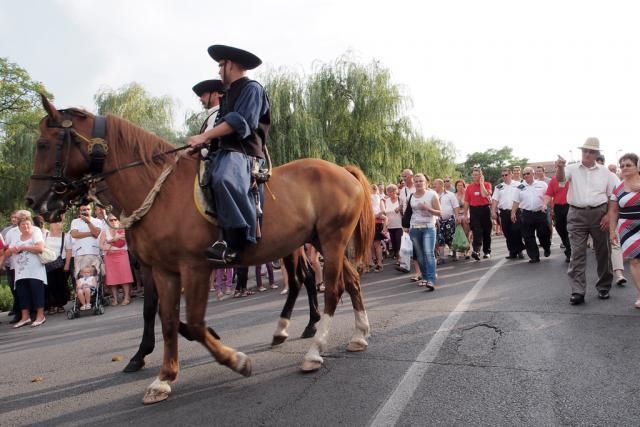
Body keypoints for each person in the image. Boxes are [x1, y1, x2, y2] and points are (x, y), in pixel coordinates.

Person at [187, 45, 269, 265]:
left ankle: (236, 240)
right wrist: (203, 144)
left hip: (244, 152)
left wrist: (204, 137)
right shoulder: (229, 94)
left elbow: (240, 122)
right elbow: (221, 128)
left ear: (229, 65)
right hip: (226, 150)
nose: (218, 71)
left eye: (220, 65)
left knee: (223, 178)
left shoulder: (252, 88)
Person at [556, 137, 618, 305]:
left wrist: (608, 215)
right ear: (581, 152)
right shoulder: (572, 168)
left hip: (600, 213)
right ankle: (578, 291)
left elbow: (615, 194)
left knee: (603, 252)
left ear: (597, 154)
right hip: (576, 214)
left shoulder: (606, 173)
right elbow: (561, 180)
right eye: (585, 150)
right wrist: (560, 167)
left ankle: (604, 286)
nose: (587, 154)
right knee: (577, 253)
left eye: (591, 151)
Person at [609, 153, 640, 308]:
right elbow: (613, 211)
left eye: (628, 165)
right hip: (627, 228)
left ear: (637, 166)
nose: (624, 168)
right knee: (634, 261)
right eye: (622, 166)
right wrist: (612, 231)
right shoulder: (618, 187)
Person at [402, 173, 441, 291]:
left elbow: (439, 213)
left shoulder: (431, 195)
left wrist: (427, 208)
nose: (418, 183)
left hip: (429, 227)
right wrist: (406, 226)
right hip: (415, 228)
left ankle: (431, 280)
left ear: (426, 183)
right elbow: (408, 212)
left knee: (428, 253)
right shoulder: (411, 196)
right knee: (419, 256)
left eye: (421, 181)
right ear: (414, 183)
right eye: (416, 181)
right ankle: (425, 277)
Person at [6, 217, 47, 328]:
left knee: (36, 292)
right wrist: (12, 250)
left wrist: (24, 247)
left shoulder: (36, 234)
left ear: (31, 225)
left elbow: (40, 248)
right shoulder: (16, 237)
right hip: (20, 272)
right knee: (23, 294)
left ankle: (40, 316)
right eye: (23, 225)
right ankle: (25, 317)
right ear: (19, 227)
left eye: (28, 224)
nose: (25, 226)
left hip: (35, 271)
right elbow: (7, 252)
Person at [596, 154, 628, 285]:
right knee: (603, 247)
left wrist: (610, 214)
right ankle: (605, 273)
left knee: (615, 241)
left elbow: (618, 195)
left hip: (612, 212)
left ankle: (619, 274)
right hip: (594, 215)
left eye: (598, 162)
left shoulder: (611, 176)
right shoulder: (586, 176)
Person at [511, 167, 551, 263]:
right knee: (528, 237)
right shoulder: (520, 187)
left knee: (543, 234)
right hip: (526, 214)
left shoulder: (542, 184)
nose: (526, 176)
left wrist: (552, 208)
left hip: (540, 213)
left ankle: (546, 247)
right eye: (524, 174)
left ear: (533, 174)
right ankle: (534, 256)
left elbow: (548, 196)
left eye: (528, 173)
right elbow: (516, 201)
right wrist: (513, 212)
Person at [99, 215, 134, 305]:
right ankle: (115, 299)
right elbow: (100, 245)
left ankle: (126, 297)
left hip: (122, 255)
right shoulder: (104, 232)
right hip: (109, 256)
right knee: (112, 279)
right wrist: (112, 241)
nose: (113, 221)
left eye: (115, 219)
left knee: (124, 277)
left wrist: (110, 242)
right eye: (111, 220)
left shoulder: (123, 230)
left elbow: (124, 242)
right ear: (107, 221)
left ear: (118, 221)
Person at [492, 168, 525, 259]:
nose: (504, 177)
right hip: (504, 212)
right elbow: (495, 200)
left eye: (506, 175)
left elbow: (525, 196)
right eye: (502, 175)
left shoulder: (519, 185)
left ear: (511, 175)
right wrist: (493, 211)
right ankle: (512, 252)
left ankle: (519, 251)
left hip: (516, 212)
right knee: (507, 232)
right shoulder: (498, 187)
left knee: (516, 231)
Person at [464, 168, 493, 260]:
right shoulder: (469, 187)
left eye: (476, 175)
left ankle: (487, 252)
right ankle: (476, 251)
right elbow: (466, 202)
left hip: (485, 209)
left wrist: (481, 184)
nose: (474, 176)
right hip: (474, 211)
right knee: (476, 231)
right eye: (473, 175)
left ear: (481, 176)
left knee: (486, 232)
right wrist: (465, 215)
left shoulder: (487, 184)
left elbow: (485, 195)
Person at [44, 217, 70, 314]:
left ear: (62, 224)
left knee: (61, 284)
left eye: (58, 222)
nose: (56, 224)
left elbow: (69, 250)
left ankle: (60, 305)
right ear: (50, 224)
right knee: (49, 285)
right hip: (47, 263)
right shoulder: (45, 235)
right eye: (54, 222)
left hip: (59, 263)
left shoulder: (65, 236)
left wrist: (67, 264)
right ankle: (51, 305)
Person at [70, 205, 103, 277]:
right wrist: (91, 233)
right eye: (84, 209)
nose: (86, 211)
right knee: (80, 280)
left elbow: (96, 234)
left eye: (88, 209)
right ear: (80, 211)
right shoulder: (75, 221)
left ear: (91, 210)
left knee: (94, 280)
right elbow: (74, 234)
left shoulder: (97, 221)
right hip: (80, 254)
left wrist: (88, 222)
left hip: (94, 253)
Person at [545, 176, 572, 262]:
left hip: (570, 205)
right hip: (558, 207)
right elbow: (549, 194)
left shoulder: (571, 177)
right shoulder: (553, 179)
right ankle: (568, 247)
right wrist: (544, 204)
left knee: (569, 229)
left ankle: (570, 252)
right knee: (560, 229)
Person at [434, 178, 460, 263]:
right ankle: (441, 258)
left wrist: (457, 217)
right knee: (440, 238)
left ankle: (455, 254)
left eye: (436, 184)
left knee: (450, 237)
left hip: (450, 219)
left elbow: (455, 206)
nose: (434, 186)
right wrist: (436, 219)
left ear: (441, 185)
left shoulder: (450, 194)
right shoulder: (433, 195)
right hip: (439, 220)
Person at [383, 184, 403, 264]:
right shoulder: (387, 201)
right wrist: (385, 226)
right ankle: (398, 258)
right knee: (394, 244)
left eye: (390, 191)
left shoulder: (400, 200)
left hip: (399, 225)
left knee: (399, 243)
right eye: (388, 192)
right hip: (390, 225)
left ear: (395, 191)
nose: (389, 193)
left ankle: (400, 260)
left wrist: (400, 208)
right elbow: (385, 213)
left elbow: (404, 209)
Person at [454, 180, 471, 259]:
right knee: (459, 233)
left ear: (464, 186)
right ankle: (460, 250)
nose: (460, 187)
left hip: (466, 214)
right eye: (458, 185)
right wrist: (457, 216)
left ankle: (467, 251)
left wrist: (466, 215)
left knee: (466, 233)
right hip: (456, 215)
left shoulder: (467, 194)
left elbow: (469, 206)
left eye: (461, 185)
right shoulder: (454, 195)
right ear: (456, 187)